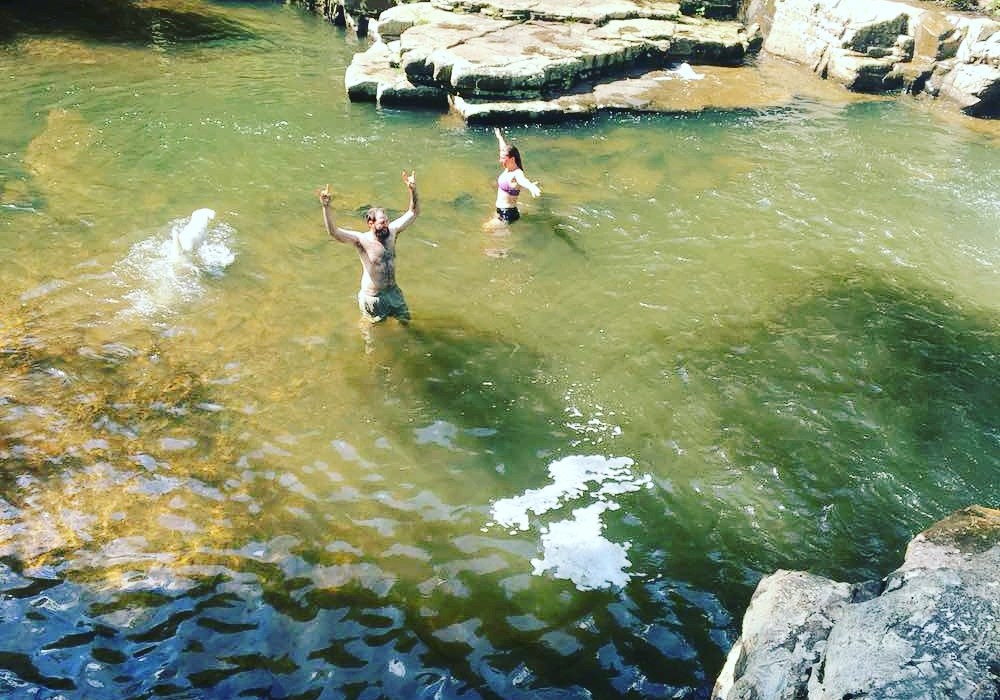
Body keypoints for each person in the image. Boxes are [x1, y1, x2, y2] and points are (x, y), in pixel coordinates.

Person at [319, 171, 419, 323]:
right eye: (382, 223)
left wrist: (413, 190)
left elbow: (413, 212)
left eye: (386, 221)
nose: (386, 225)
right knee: (374, 332)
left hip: (393, 292)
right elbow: (334, 232)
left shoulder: (392, 232)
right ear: (371, 223)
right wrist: (326, 207)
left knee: (406, 321)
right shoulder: (361, 240)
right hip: (373, 297)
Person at [493, 127, 541, 224]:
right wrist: (499, 137)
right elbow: (503, 148)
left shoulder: (517, 173)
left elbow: (522, 180)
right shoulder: (508, 168)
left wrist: (530, 186)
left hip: (507, 213)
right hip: (501, 210)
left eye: (503, 158)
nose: (500, 160)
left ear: (512, 159)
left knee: (487, 229)